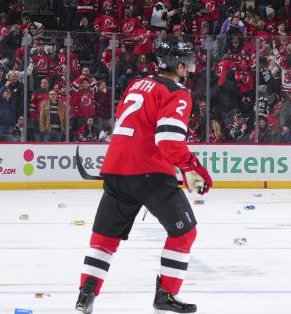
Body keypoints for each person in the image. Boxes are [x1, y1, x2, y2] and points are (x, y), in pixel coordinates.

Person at [76, 42, 212, 314]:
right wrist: (193, 168)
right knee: (184, 232)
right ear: (179, 66)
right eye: (187, 64)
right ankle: (165, 295)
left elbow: (126, 121)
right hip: (150, 172)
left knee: (104, 238)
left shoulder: (136, 84)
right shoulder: (177, 92)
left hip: (116, 168)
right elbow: (168, 139)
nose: (189, 69)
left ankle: (85, 295)